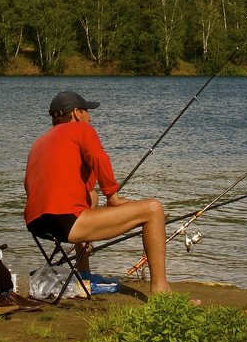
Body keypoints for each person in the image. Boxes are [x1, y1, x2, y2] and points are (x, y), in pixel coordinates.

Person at [24, 90, 172, 293]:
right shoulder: (81, 130)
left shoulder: (39, 142)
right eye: (86, 112)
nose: (90, 117)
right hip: (66, 224)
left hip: (37, 224)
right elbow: (99, 159)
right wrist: (113, 197)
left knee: (91, 196)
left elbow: (31, 186)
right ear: (76, 113)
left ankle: (83, 274)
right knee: (153, 209)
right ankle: (161, 291)